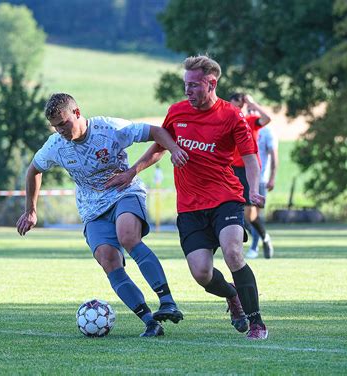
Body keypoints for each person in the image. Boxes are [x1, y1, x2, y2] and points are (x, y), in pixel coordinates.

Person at [106, 56, 269, 339]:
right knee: (202, 274)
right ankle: (233, 297)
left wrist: (254, 188)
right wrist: (132, 171)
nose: (187, 91)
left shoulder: (231, 116)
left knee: (233, 252)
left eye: (193, 85)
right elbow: (159, 147)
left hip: (225, 198)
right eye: (186, 85)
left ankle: (256, 322)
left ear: (211, 84)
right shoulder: (178, 112)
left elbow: (250, 158)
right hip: (190, 208)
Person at [16, 93, 188, 337]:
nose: (60, 130)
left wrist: (153, 161)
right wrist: (31, 210)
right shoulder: (55, 145)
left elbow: (158, 133)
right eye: (55, 126)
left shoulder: (110, 128)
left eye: (63, 123)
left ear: (77, 112)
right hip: (92, 208)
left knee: (128, 236)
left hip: (124, 193)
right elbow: (34, 170)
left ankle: (167, 301)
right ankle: (150, 322)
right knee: (108, 259)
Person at [229, 93, 274, 259]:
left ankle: (265, 238)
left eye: (241, 106)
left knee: (250, 214)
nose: (238, 109)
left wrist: (253, 104)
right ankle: (240, 242)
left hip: (248, 170)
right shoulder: (226, 121)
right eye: (235, 105)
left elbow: (267, 118)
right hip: (231, 169)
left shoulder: (250, 121)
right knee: (232, 209)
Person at [247, 126, 278, 259]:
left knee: (252, 216)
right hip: (243, 176)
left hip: (260, 179)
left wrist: (272, 177)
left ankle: (254, 247)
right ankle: (264, 236)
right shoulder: (241, 126)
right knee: (245, 217)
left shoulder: (266, 131)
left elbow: (274, 155)